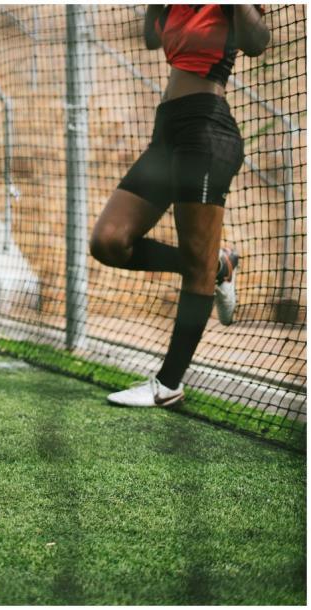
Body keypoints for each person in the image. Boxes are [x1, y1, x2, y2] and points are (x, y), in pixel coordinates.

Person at [89, 5, 269, 407]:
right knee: (109, 241)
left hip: (205, 130)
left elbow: (257, 42)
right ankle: (216, 265)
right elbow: (153, 38)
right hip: (166, 131)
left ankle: (168, 385)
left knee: (195, 268)